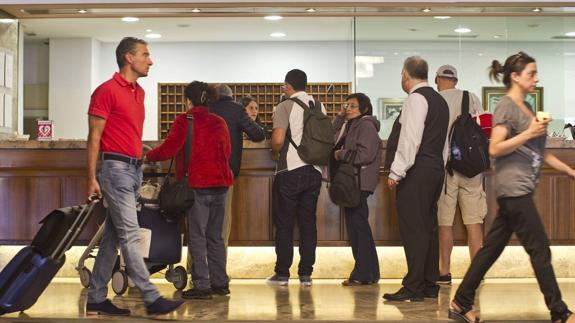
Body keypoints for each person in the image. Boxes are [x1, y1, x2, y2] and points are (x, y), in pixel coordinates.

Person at [449, 52, 575, 323]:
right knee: (540, 249)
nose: (536, 78)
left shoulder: (527, 108)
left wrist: (567, 170)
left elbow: (537, 151)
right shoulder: (507, 106)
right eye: (531, 73)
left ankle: (461, 301)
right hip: (514, 189)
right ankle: (560, 312)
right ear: (515, 77)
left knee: (490, 250)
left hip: (519, 190)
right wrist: (529, 133)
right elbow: (495, 147)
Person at [85, 37, 183, 316]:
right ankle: (151, 297)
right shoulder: (105, 91)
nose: (150, 60)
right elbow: (94, 138)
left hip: (133, 170)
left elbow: (123, 130)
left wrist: (138, 148)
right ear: (129, 58)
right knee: (130, 235)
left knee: (113, 238)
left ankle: (95, 298)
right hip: (114, 171)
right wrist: (91, 177)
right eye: (145, 54)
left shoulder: (139, 92)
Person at [146, 81, 234, 299]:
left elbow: (169, 149)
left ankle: (202, 285)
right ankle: (220, 283)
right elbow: (227, 150)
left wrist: (147, 155)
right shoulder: (219, 122)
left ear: (188, 100)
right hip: (221, 185)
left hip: (197, 185)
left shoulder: (185, 121)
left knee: (197, 236)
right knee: (215, 237)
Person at [383, 56, 449, 302]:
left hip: (417, 169)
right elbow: (443, 143)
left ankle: (413, 287)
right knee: (429, 227)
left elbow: (410, 139)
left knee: (414, 229)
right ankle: (430, 285)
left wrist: (396, 171)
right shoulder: (440, 101)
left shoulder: (415, 98)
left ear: (406, 75)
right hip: (434, 169)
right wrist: (438, 167)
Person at [195, 85, 265, 266]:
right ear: (231, 96)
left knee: (198, 226)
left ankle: (196, 269)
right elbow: (257, 135)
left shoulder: (201, 110)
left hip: (199, 175)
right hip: (224, 175)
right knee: (220, 227)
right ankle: (217, 271)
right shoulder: (236, 109)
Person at [267, 69, 324, 286]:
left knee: (285, 223)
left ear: (288, 86)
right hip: (315, 170)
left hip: (290, 170)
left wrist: (274, 151)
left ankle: (282, 274)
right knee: (308, 222)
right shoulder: (318, 106)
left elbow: (279, 139)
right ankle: (306, 274)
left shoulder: (285, 105)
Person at [434, 65, 487, 285]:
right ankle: (476, 273)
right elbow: (483, 130)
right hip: (471, 168)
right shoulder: (470, 97)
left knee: (444, 222)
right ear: (456, 80)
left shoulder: (434, 101)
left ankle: (444, 272)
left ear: (437, 79)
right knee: (474, 222)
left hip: (445, 168)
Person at [332, 93, 382, 286]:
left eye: (353, 105)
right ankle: (367, 272)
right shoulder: (350, 124)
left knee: (358, 226)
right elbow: (329, 137)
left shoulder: (366, 125)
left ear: (365, 109)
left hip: (358, 182)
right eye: (346, 105)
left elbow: (365, 154)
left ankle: (364, 272)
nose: (348, 108)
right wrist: (339, 117)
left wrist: (341, 154)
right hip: (351, 181)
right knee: (357, 226)